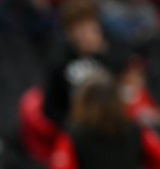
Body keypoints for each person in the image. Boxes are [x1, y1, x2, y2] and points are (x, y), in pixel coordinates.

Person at [42, 0, 129, 128]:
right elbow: (51, 108)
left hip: (113, 124)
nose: (88, 34)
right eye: (81, 29)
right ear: (69, 33)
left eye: (92, 27)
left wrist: (102, 54)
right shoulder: (59, 61)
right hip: (80, 129)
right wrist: (72, 126)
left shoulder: (111, 49)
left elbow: (124, 84)